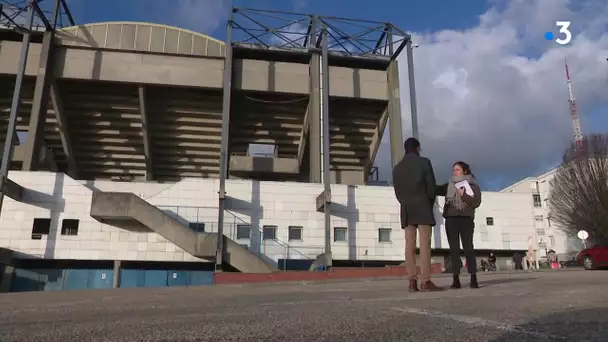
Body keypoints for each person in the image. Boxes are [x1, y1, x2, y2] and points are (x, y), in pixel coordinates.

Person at [392, 137, 442, 292]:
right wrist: (428, 202)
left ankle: (412, 281)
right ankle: (425, 281)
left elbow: (398, 192)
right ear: (418, 148)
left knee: (409, 246)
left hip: (406, 208)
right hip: (422, 206)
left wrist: (405, 202)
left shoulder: (397, 168)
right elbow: (431, 187)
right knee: (425, 245)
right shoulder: (424, 162)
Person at [436, 161, 482, 289]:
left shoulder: (472, 185)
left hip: (466, 219)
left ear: (465, 171)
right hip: (451, 219)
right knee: (454, 249)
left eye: (457, 169)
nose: (454, 172)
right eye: (453, 170)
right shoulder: (449, 185)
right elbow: (436, 189)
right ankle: (456, 279)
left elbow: (476, 201)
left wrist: (464, 195)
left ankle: (473, 278)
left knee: (468, 248)